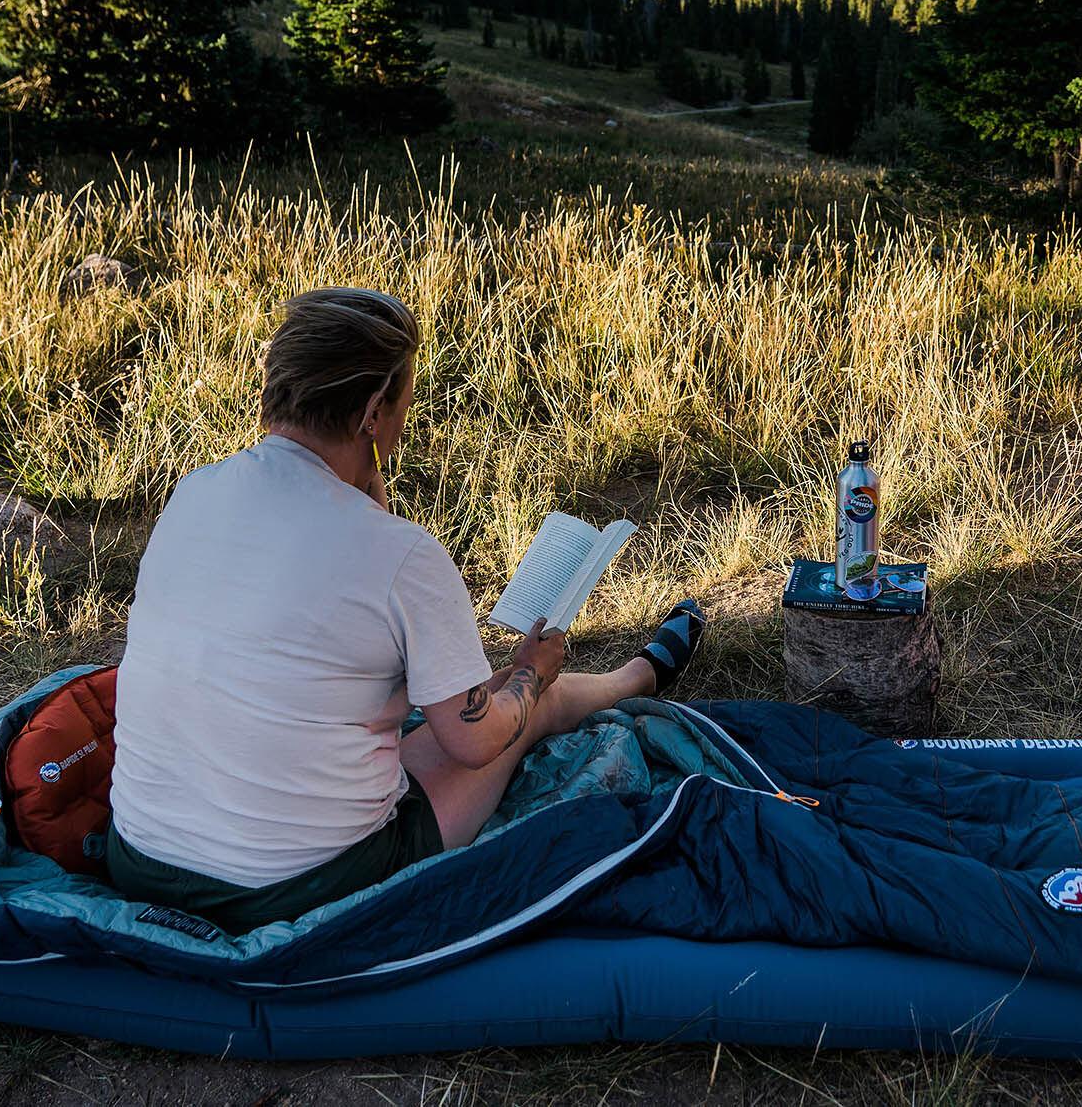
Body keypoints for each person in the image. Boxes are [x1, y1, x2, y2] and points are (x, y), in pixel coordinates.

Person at [105, 288, 704, 932]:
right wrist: (532, 671)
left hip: (139, 855)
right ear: (371, 411)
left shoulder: (195, 492)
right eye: (404, 403)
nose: (404, 419)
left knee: (459, 702)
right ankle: (637, 677)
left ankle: (617, 674)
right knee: (526, 706)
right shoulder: (399, 555)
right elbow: (473, 743)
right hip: (282, 884)